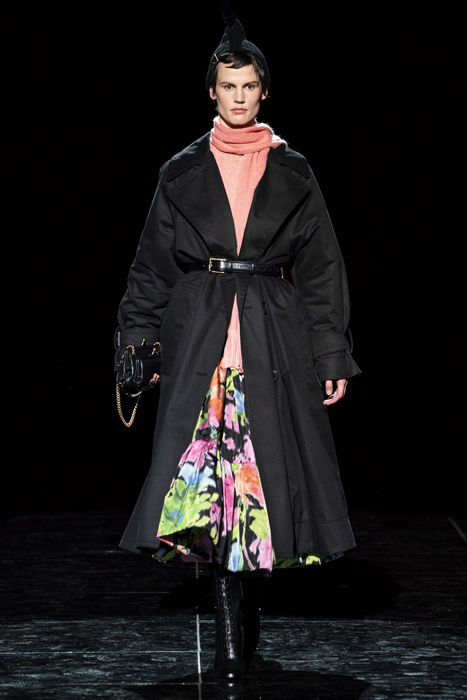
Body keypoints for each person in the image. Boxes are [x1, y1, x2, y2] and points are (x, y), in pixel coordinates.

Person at [114, 6, 361, 682]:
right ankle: (228, 638)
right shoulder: (180, 172)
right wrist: (136, 343)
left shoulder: (294, 172)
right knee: (213, 495)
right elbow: (150, 268)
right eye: (228, 86)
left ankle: (241, 614)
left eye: (249, 86)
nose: (239, 97)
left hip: (271, 342)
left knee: (256, 489)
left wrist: (331, 354)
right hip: (200, 341)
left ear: (264, 92)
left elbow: (321, 270)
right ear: (211, 92)